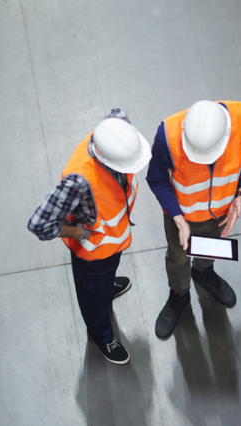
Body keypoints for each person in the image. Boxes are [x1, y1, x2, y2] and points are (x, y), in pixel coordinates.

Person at [27, 109, 151, 365]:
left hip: (114, 243)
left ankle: (105, 289)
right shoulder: (78, 182)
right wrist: (79, 232)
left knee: (103, 282)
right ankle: (99, 333)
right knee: (93, 295)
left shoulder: (117, 126)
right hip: (93, 255)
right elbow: (39, 223)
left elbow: (117, 111)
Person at [147, 100, 241, 338]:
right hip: (182, 216)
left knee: (211, 248)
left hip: (223, 210)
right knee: (178, 258)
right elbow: (157, 178)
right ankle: (179, 294)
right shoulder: (167, 135)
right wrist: (177, 218)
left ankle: (203, 271)